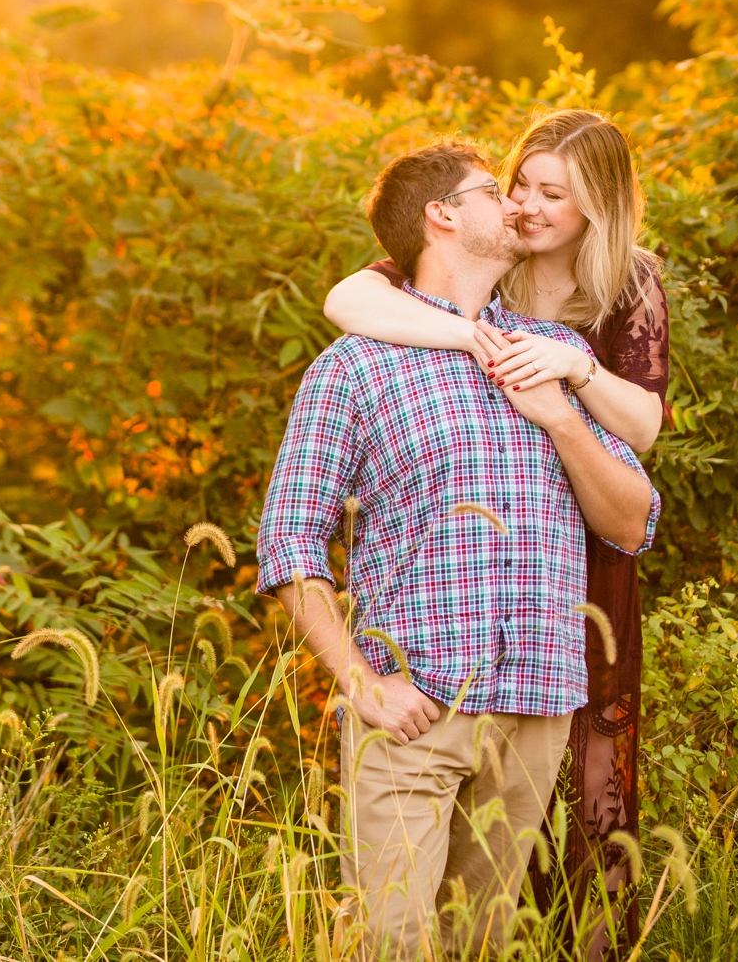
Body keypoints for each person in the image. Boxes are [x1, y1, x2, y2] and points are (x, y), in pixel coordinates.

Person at [256, 139, 660, 961]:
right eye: (492, 190)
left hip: (536, 707)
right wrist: (360, 681)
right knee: (390, 943)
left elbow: (632, 520)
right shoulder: (358, 366)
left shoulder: (549, 355)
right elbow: (288, 534)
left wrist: (561, 414)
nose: (514, 204)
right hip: (416, 711)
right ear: (443, 215)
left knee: (482, 942)